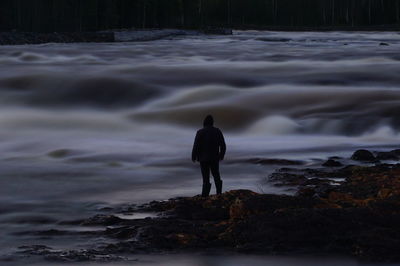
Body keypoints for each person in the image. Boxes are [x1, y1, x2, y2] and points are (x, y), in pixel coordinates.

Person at [192, 115, 226, 197]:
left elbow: (196, 145)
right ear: (212, 123)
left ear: (204, 123)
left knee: (205, 178)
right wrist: (221, 155)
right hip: (214, 157)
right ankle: (219, 193)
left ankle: (205, 196)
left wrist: (194, 156)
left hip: (203, 158)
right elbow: (223, 145)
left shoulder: (200, 132)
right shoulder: (217, 131)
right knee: (216, 175)